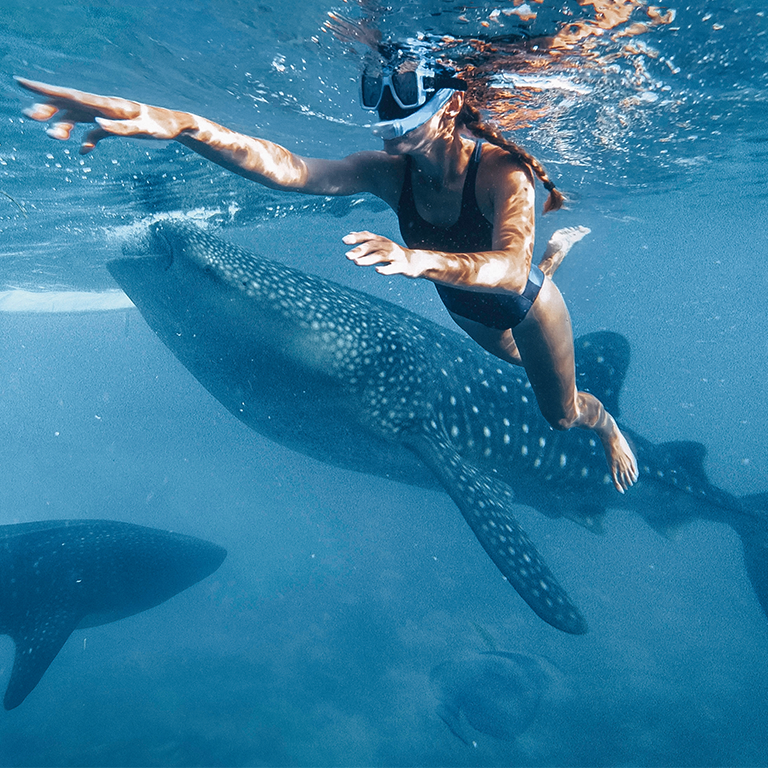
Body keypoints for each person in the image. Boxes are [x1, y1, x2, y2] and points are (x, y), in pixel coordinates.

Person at [16, 54, 638, 492]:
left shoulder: (505, 172)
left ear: (449, 109)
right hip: (466, 307)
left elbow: (506, 268)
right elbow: (289, 169)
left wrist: (418, 260)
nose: (382, 115)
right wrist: (184, 126)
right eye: (377, 97)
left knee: (559, 411)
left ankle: (604, 420)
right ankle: (553, 258)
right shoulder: (388, 170)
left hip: (521, 302)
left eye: (401, 103)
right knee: (502, 353)